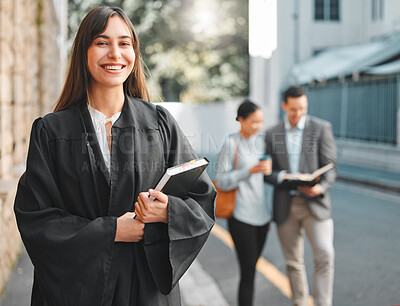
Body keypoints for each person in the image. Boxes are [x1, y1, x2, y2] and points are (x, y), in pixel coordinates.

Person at [13, 6, 216, 306]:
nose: (115, 53)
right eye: (102, 42)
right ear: (84, 51)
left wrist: (167, 211)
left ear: (134, 52)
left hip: (144, 290)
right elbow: (37, 219)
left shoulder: (159, 124)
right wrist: (111, 231)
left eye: (124, 43)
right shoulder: (51, 131)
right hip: (80, 294)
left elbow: (202, 199)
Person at [264, 86, 336, 306]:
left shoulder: (321, 128)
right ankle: (300, 303)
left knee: (325, 255)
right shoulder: (272, 133)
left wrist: (321, 187)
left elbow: (331, 167)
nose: (298, 113)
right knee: (293, 263)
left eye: (302, 109)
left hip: (315, 202)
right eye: (294, 109)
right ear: (284, 105)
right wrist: (284, 176)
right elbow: (267, 173)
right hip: (286, 205)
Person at [214, 99, 272, 306]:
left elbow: (267, 181)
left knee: (252, 270)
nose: (258, 126)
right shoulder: (231, 143)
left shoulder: (263, 142)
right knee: (247, 272)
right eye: (254, 122)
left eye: (261, 122)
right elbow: (221, 180)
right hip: (241, 216)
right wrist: (249, 171)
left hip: (263, 216)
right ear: (241, 120)